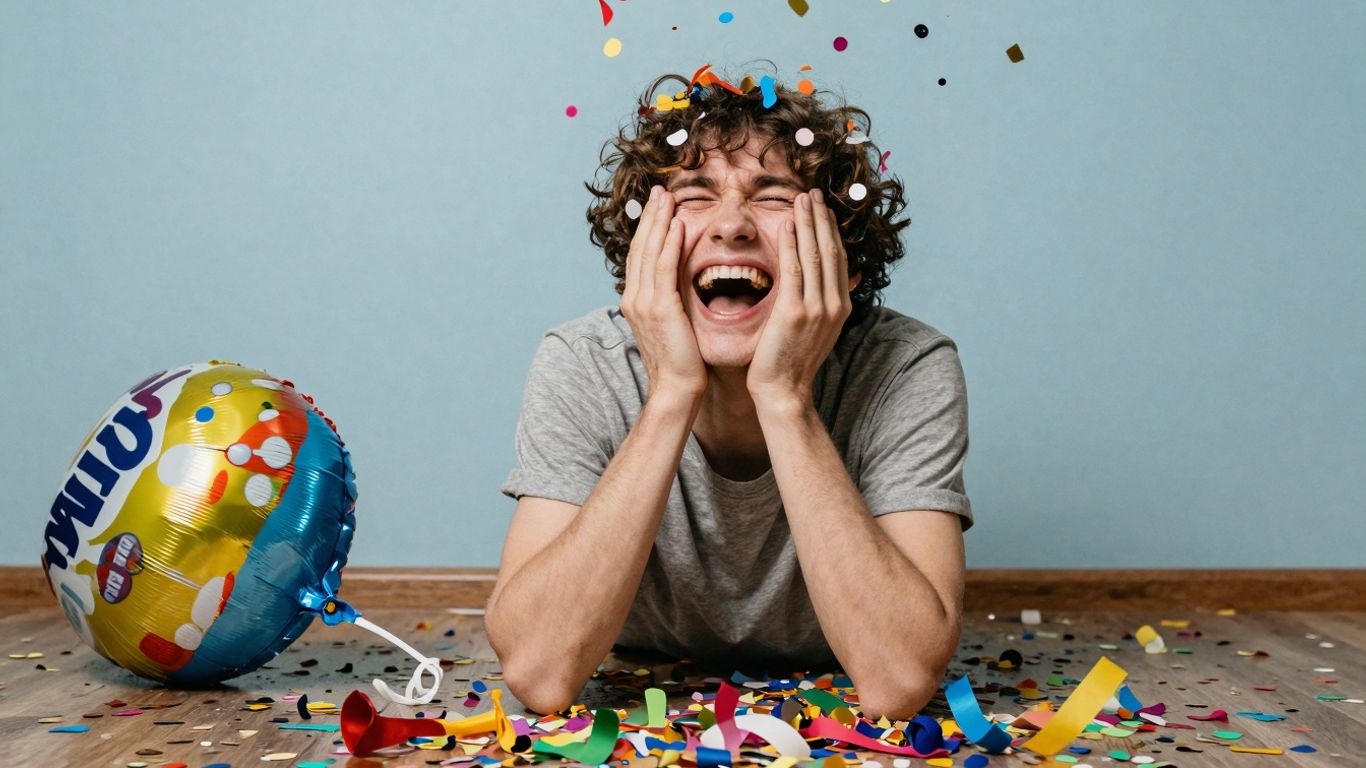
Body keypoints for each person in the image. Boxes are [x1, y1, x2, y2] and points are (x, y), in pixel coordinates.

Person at [485, 66, 972, 720]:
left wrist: (785, 399)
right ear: (645, 255)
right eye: (693, 196)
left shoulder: (907, 366)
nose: (731, 226)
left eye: (773, 195)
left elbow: (899, 679)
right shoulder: (581, 363)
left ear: (844, 260)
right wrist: (671, 395)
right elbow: (540, 674)